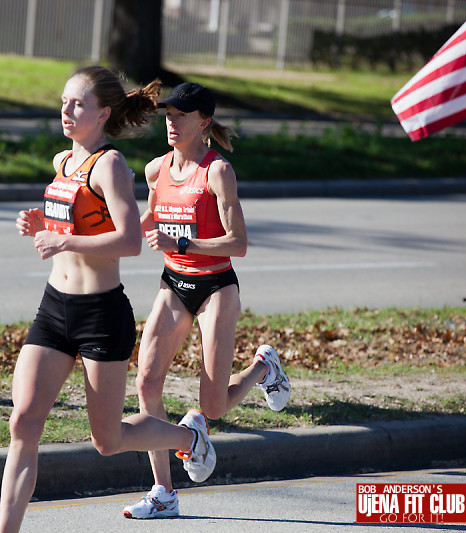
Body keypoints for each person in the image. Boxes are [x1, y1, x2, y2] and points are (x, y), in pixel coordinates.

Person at [0, 67, 218, 533]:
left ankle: (188, 436)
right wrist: (41, 226)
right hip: (55, 308)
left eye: (77, 104)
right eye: (63, 102)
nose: (66, 111)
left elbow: (130, 239)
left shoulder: (110, 164)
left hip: (101, 314)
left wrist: (64, 242)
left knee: (108, 440)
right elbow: (74, 224)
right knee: (23, 425)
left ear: (103, 113)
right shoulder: (62, 160)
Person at [123, 82, 291, 520]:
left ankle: (263, 367)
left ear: (203, 121)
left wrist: (182, 240)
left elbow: (238, 243)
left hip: (217, 287)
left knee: (213, 405)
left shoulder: (218, 172)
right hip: (174, 284)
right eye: (168, 115)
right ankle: (164, 491)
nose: (171, 122)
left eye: (180, 115)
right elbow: (145, 220)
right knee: (146, 383)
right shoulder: (156, 170)